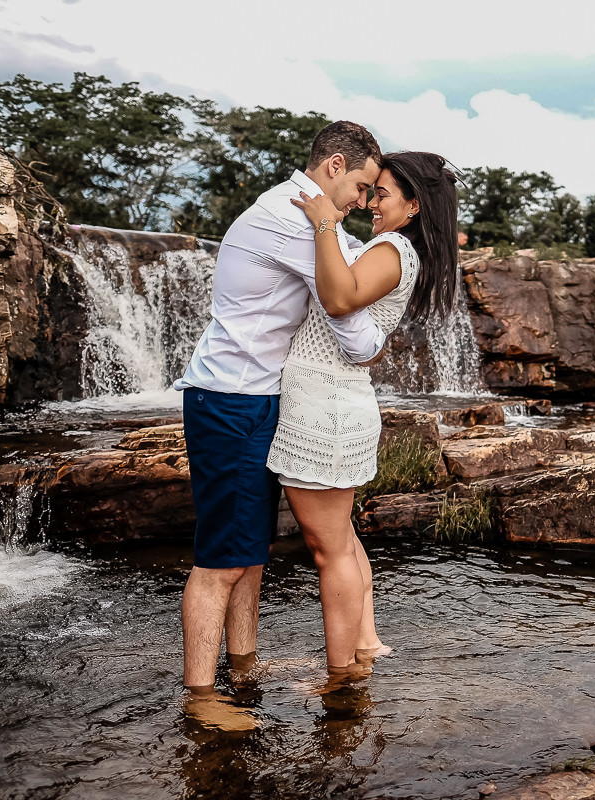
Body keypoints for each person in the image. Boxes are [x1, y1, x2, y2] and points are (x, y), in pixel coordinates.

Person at [174, 121, 386, 719]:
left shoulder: (301, 215)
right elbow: (346, 304)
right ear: (336, 166)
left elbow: (348, 271)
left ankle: (242, 667)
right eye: (364, 187)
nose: (364, 203)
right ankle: (200, 696)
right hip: (231, 401)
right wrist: (374, 345)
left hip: (256, 399)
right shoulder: (291, 218)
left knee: (252, 550)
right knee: (221, 560)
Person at [266, 151, 460, 674]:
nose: (372, 202)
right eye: (370, 192)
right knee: (342, 540)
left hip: (325, 407)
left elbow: (339, 299)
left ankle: (342, 675)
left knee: (327, 549)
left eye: (384, 194)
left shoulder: (395, 248)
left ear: (414, 206)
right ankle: (366, 643)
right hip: (333, 400)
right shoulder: (393, 247)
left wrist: (327, 223)